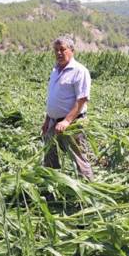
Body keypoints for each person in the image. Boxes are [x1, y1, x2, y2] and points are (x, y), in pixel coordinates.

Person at [41, 36, 94, 180]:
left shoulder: (79, 71)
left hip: (72, 124)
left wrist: (66, 121)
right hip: (53, 123)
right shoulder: (55, 70)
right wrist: (47, 120)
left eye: (62, 49)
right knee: (50, 159)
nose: (59, 53)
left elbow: (82, 99)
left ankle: (89, 192)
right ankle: (52, 189)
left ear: (72, 50)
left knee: (80, 160)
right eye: (56, 50)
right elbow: (53, 97)